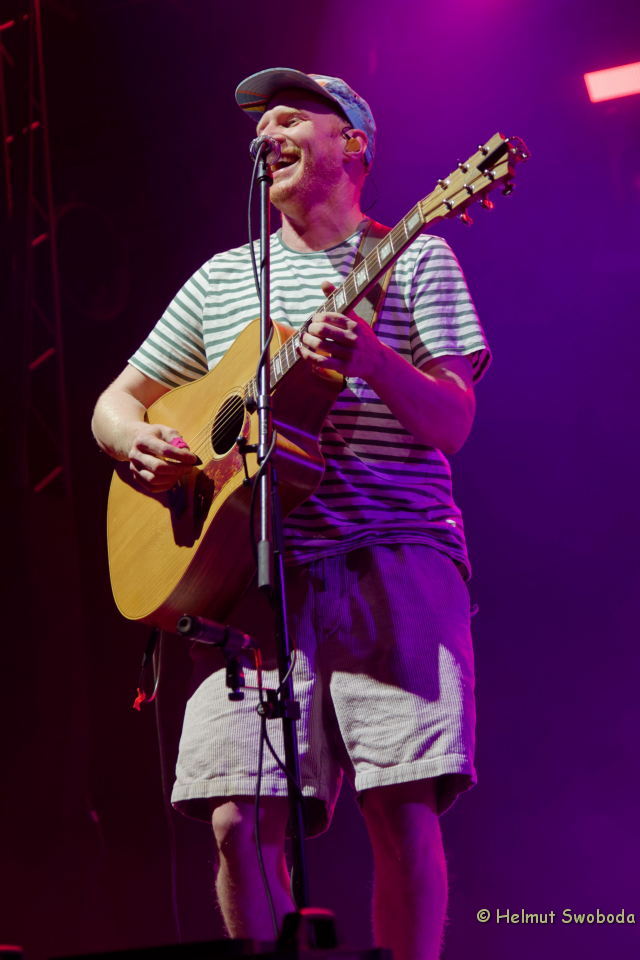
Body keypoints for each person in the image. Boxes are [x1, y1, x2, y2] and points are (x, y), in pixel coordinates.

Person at [91, 67, 490, 960]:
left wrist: (376, 362)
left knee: (401, 806)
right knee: (235, 819)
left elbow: (452, 422)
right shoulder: (220, 279)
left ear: (353, 142)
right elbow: (114, 402)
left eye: (288, 116)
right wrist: (132, 442)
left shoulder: (418, 256)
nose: (264, 133)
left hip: (392, 556)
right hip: (248, 580)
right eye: (259, 123)